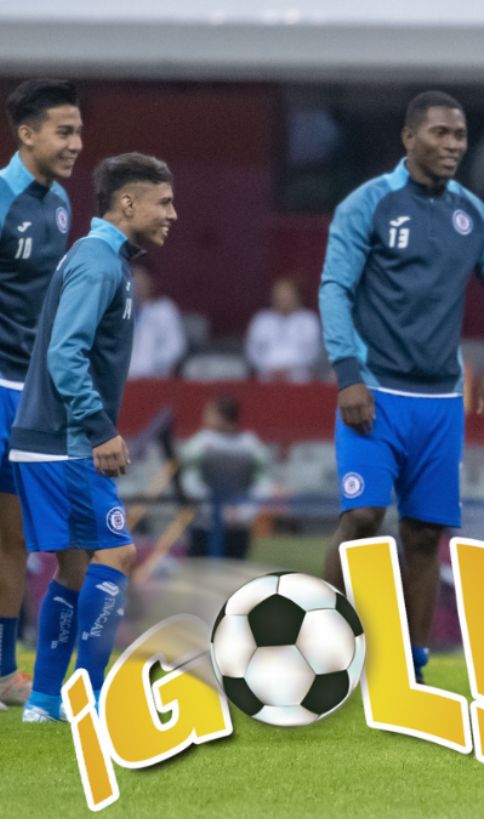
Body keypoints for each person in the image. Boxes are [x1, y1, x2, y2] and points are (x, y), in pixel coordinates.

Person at [319, 90, 484, 684]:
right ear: (409, 138)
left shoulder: (473, 215)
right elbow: (335, 288)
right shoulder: (368, 204)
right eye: (440, 133)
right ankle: (320, 644)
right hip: (375, 391)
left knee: (424, 533)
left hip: (440, 401)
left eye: (459, 135)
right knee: (363, 516)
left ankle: (410, 668)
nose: (453, 144)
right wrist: (347, 374)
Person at [10, 153, 175, 722]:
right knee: (118, 553)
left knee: (77, 567)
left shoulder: (101, 258)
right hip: (66, 440)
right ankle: (94, 698)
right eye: (163, 201)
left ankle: (45, 700)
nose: (173, 214)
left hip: (48, 437)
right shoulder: (99, 262)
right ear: (127, 203)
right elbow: (65, 352)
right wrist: (100, 426)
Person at [0, 78, 81, 710]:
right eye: (64, 131)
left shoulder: (59, 202)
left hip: (33, 394)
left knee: (14, 540)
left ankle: (5, 672)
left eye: (78, 131)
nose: (76, 143)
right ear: (26, 135)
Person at [179, 395, 272, 559]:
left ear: (220, 416)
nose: (204, 418)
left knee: (233, 570)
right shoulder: (199, 444)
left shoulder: (251, 446)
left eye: (209, 413)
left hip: (237, 526)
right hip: (205, 524)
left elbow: (262, 486)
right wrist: (214, 510)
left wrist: (243, 513)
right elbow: (190, 483)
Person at [245, 278, 322, 382]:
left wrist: (291, 369)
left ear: (297, 296)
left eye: (287, 294)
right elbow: (252, 351)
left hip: (300, 378)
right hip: (266, 376)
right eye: (280, 295)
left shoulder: (308, 319)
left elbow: (313, 352)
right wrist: (267, 368)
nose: (283, 299)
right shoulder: (261, 319)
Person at [126, 264, 186, 379]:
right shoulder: (120, 312)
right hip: (126, 380)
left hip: (156, 378)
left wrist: (153, 365)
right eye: (133, 280)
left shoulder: (164, 310)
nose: (137, 285)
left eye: (141, 280)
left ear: (150, 281)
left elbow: (176, 347)